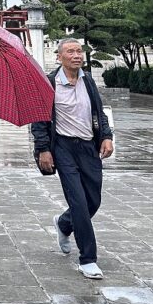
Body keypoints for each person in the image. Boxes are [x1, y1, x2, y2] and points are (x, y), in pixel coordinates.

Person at [32, 37, 114, 279]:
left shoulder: (88, 80)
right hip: (63, 147)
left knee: (93, 201)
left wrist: (106, 136)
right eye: (70, 51)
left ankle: (64, 223)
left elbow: (99, 111)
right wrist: (44, 149)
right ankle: (88, 258)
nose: (77, 55)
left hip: (89, 146)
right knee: (78, 200)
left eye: (79, 51)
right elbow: (40, 119)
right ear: (59, 57)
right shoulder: (49, 83)